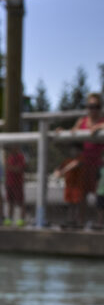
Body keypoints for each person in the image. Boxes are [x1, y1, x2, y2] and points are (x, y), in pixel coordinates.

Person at [63, 92, 104, 227]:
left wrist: (98, 127)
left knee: (100, 196)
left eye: (96, 106)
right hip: (83, 164)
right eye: (90, 106)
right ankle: (80, 222)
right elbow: (73, 132)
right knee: (82, 196)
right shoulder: (82, 121)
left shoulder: (102, 121)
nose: (93, 109)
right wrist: (62, 131)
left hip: (99, 164)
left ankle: (100, 223)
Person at [52, 146, 83, 229]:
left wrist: (63, 171)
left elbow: (74, 164)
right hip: (68, 186)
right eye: (72, 150)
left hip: (77, 186)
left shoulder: (80, 158)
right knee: (70, 205)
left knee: (76, 204)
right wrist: (57, 172)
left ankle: (77, 221)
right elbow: (58, 169)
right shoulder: (67, 160)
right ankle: (70, 220)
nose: (73, 152)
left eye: (75, 150)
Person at [4, 146, 27, 226]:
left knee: (20, 202)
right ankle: (9, 219)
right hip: (9, 183)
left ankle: (22, 219)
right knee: (10, 202)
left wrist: (10, 168)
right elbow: (6, 170)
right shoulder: (9, 157)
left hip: (17, 184)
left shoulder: (20, 157)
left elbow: (19, 169)